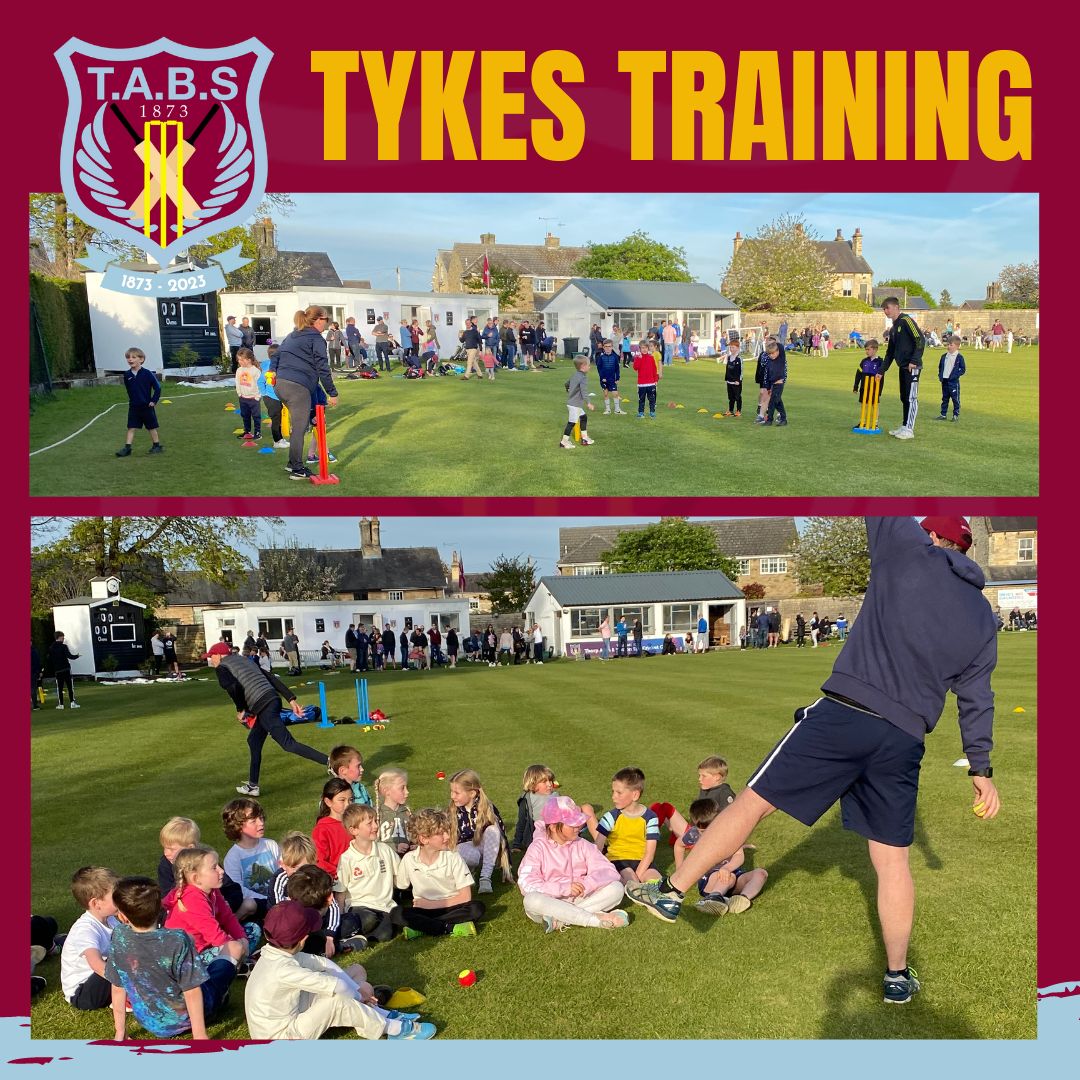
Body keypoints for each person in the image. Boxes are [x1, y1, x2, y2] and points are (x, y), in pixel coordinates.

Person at [626, 516, 1002, 1007]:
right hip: (905, 739)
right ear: (966, 549)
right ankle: (895, 976)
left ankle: (673, 892)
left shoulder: (907, 551)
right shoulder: (980, 615)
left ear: (932, 537)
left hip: (845, 713)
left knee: (753, 804)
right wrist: (980, 769)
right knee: (892, 863)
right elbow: (977, 697)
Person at [245, 899, 435, 1040]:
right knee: (337, 1000)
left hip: (287, 1014)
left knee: (342, 985)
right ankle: (393, 1029)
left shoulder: (273, 953)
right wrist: (361, 996)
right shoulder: (283, 969)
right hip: (281, 1036)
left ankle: (380, 1013)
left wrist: (358, 992)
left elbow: (323, 964)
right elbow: (336, 985)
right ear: (303, 938)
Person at [106, 877, 235, 1041]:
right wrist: (200, 1035)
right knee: (223, 966)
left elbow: (118, 986)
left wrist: (120, 1032)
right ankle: (221, 996)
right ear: (160, 907)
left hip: (151, 1022)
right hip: (184, 1020)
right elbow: (192, 989)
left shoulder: (119, 937)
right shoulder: (177, 939)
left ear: (122, 915)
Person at [204, 641, 327, 797]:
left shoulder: (222, 668)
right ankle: (253, 786)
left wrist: (241, 709)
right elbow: (271, 678)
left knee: (288, 744)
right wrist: (291, 699)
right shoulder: (245, 660)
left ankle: (331, 763)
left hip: (263, 705)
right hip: (271, 700)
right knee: (254, 740)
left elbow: (233, 687)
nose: (210, 660)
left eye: (211, 656)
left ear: (220, 655)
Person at [517, 796, 628, 933]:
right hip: (550, 902)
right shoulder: (538, 848)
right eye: (572, 823)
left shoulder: (583, 845)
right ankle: (595, 920)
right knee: (531, 900)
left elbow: (608, 871)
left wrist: (586, 885)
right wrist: (563, 888)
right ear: (552, 826)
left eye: (578, 822)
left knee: (616, 888)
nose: (578, 827)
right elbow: (526, 882)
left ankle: (562, 920)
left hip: (580, 898)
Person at [268, 306, 339, 481]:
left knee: (297, 426)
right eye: (326, 320)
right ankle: (298, 469)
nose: (327, 324)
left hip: (280, 386)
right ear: (318, 320)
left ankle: (292, 463)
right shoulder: (316, 339)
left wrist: (272, 370)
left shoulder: (293, 335)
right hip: (297, 388)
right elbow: (323, 368)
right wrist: (332, 392)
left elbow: (276, 355)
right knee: (299, 429)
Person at [395, 808, 487, 937]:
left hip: (453, 906)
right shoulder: (409, 859)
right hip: (423, 910)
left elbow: (465, 897)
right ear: (424, 839)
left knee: (477, 908)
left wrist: (430, 904)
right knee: (396, 913)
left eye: (447, 831)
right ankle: (450, 928)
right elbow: (401, 885)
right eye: (441, 833)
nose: (447, 836)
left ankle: (424, 927)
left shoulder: (453, 857)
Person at [677, 799, 767, 915]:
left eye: (713, 829)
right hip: (710, 881)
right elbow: (679, 845)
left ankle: (741, 900)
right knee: (728, 877)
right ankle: (713, 898)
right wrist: (680, 869)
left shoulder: (729, 832)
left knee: (761, 873)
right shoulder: (694, 834)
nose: (708, 834)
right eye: (703, 831)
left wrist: (727, 868)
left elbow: (739, 855)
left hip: (733, 875)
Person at [162, 846, 251, 964]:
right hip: (189, 957)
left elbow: (228, 918)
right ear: (196, 878)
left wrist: (242, 938)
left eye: (219, 865)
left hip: (207, 945)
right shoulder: (192, 898)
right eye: (214, 868)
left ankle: (237, 961)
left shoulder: (213, 890)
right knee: (235, 948)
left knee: (252, 929)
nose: (221, 870)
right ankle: (227, 968)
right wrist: (236, 946)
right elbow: (213, 934)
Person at [335, 804, 403, 949]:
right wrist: (339, 919)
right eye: (369, 823)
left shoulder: (385, 850)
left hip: (383, 906)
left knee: (387, 934)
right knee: (368, 919)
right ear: (354, 830)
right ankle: (344, 934)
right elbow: (340, 893)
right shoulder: (347, 858)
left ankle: (359, 937)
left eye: (375, 821)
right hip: (359, 906)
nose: (375, 826)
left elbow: (400, 879)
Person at [581, 767, 660, 885]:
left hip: (642, 860)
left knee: (657, 882)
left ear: (635, 795)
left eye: (619, 792)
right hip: (619, 860)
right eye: (613, 792)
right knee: (631, 881)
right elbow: (598, 845)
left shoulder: (650, 818)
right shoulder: (611, 817)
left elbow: (649, 853)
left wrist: (639, 875)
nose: (613, 796)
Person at [60, 866, 118, 1011]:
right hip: (83, 993)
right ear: (95, 903)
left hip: (100, 980)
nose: (122, 898)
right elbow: (96, 964)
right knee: (122, 957)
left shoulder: (111, 919)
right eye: (116, 896)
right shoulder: (85, 929)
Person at [448, 769, 513, 893]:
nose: (452, 796)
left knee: (493, 830)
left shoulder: (487, 808)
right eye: (451, 792)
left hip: (487, 850)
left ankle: (485, 877)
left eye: (456, 792)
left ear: (472, 793)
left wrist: (507, 867)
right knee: (468, 853)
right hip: (466, 851)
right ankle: (466, 875)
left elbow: (502, 838)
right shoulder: (453, 810)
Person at [881, 296, 925, 441]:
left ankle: (910, 429)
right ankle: (905, 425)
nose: (885, 311)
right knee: (904, 397)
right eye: (884, 309)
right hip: (903, 367)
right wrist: (881, 371)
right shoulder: (893, 328)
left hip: (912, 367)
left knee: (911, 398)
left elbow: (920, 339)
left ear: (896, 307)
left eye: (887, 308)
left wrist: (914, 360)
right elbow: (890, 352)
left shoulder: (906, 321)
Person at [115, 347, 163, 457]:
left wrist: (153, 400)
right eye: (128, 357)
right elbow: (129, 389)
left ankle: (156, 446)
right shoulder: (127, 375)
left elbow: (158, 388)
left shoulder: (148, 374)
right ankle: (127, 448)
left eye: (133, 357)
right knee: (131, 427)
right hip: (134, 407)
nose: (130, 359)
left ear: (141, 359)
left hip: (147, 406)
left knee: (151, 427)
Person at [312, 778, 354, 877]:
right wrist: (341, 873)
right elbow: (319, 861)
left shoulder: (354, 822)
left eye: (350, 800)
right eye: (342, 800)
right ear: (328, 802)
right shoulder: (322, 829)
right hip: (337, 881)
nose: (348, 804)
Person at [512, 763, 558, 852]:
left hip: (555, 830)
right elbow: (522, 822)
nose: (549, 784)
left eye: (550, 780)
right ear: (532, 783)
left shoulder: (556, 795)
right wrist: (516, 844)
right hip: (537, 833)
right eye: (544, 782)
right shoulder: (527, 799)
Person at [560, 355, 596, 449]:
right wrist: (588, 403)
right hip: (574, 405)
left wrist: (568, 389)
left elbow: (566, 383)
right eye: (588, 365)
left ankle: (584, 438)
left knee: (583, 417)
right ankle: (564, 442)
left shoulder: (575, 374)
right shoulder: (583, 378)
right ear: (583, 366)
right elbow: (584, 392)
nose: (589, 367)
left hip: (574, 404)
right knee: (571, 423)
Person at [375, 768, 413, 856]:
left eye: (407, 787)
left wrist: (414, 845)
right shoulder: (377, 815)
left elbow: (415, 836)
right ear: (386, 791)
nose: (407, 792)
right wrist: (394, 846)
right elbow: (373, 843)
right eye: (402, 788)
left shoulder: (407, 813)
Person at [853, 337, 884, 426]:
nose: (866, 351)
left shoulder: (880, 362)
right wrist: (856, 386)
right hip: (864, 388)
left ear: (875, 350)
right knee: (864, 405)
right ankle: (863, 422)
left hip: (874, 388)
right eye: (865, 349)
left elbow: (882, 378)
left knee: (874, 405)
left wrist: (879, 391)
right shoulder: (864, 361)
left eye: (868, 349)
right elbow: (858, 374)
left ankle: (875, 422)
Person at [233, 347, 262, 440]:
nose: (239, 362)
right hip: (243, 398)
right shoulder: (239, 370)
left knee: (256, 416)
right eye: (238, 360)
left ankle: (258, 432)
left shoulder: (255, 371)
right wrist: (239, 394)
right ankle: (247, 432)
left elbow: (260, 384)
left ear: (249, 360)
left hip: (253, 398)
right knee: (245, 415)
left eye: (242, 359)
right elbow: (237, 382)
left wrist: (257, 397)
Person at [936, 335, 967, 422]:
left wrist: (955, 376)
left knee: (955, 399)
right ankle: (943, 414)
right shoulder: (944, 356)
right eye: (948, 344)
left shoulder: (959, 357)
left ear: (957, 346)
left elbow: (963, 369)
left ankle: (955, 415)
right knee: (945, 398)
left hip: (953, 382)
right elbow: (940, 367)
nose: (948, 346)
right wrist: (940, 375)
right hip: (944, 380)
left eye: (951, 345)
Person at [761, 340, 788, 426]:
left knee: (774, 402)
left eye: (773, 353)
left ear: (777, 352)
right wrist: (768, 388)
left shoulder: (781, 359)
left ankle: (780, 419)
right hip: (773, 385)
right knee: (775, 402)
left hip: (779, 384)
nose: (771, 355)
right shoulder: (769, 362)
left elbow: (781, 347)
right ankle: (770, 420)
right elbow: (768, 376)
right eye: (769, 354)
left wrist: (774, 342)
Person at [633, 339, 661, 419]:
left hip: (651, 383)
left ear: (648, 348)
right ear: (640, 349)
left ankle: (652, 412)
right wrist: (639, 359)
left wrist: (655, 380)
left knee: (651, 399)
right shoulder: (638, 358)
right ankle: (641, 412)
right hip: (641, 384)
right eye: (642, 348)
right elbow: (635, 368)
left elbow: (654, 370)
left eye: (645, 348)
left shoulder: (651, 358)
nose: (644, 349)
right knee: (641, 399)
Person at [596, 340, 624, 415]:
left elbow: (617, 369)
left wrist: (617, 378)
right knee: (605, 394)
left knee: (615, 393)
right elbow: (599, 369)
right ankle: (608, 410)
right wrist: (602, 377)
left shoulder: (615, 357)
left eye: (609, 346)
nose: (608, 348)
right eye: (606, 347)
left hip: (612, 379)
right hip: (604, 379)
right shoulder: (601, 358)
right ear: (603, 347)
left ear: (612, 347)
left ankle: (617, 410)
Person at [722, 341, 743, 417]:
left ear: (737, 348)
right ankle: (730, 410)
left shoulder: (739, 359)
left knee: (737, 396)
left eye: (733, 347)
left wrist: (738, 380)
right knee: (730, 397)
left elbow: (740, 371)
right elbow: (727, 369)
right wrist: (726, 378)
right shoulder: (729, 357)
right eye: (730, 347)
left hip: (736, 382)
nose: (731, 349)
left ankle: (738, 411)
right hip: (729, 381)